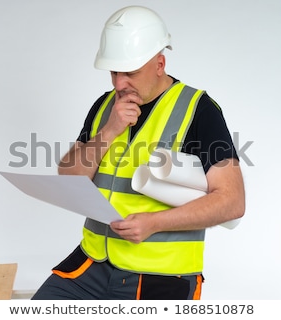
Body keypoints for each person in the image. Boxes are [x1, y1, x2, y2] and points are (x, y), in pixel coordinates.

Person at [31, 5, 245, 300]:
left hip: (162, 275)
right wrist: (108, 132)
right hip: (91, 263)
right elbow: (69, 177)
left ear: (160, 63)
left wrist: (155, 223)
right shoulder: (106, 106)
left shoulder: (199, 110)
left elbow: (232, 202)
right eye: (114, 71)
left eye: (130, 72)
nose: (120, 83)